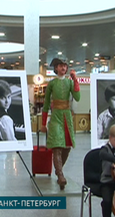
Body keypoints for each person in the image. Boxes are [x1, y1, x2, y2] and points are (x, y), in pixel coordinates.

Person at [40, 58, 80, 190]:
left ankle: (58, 170)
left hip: (67, 116)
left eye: (65, 66)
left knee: (67, 146)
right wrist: (43, 124)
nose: (63, 68)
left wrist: (75, 80)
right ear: (56, 68)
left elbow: (77, 97)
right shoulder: (51, 84)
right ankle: (61, 175)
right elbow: (46, 105)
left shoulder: (69, 82)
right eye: (60, 66)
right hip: (56, 116)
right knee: (57, 145)